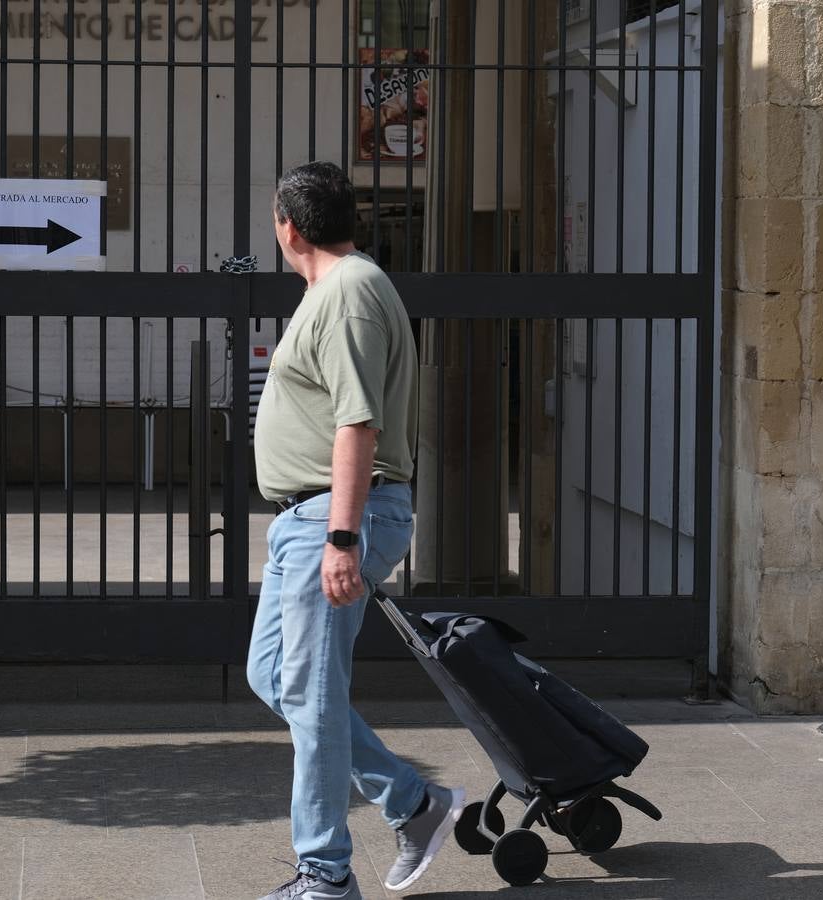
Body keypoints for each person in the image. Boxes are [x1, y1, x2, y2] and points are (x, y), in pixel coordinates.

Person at [247, 161, 466, 900]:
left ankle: (326, 874)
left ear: (289, 226)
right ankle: (412, 801)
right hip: (306, 521)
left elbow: (357, 422)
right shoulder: (334, 289)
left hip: (333, 519)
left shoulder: (346, 294)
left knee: (307, 690)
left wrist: (342, 540)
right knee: (274, 676)